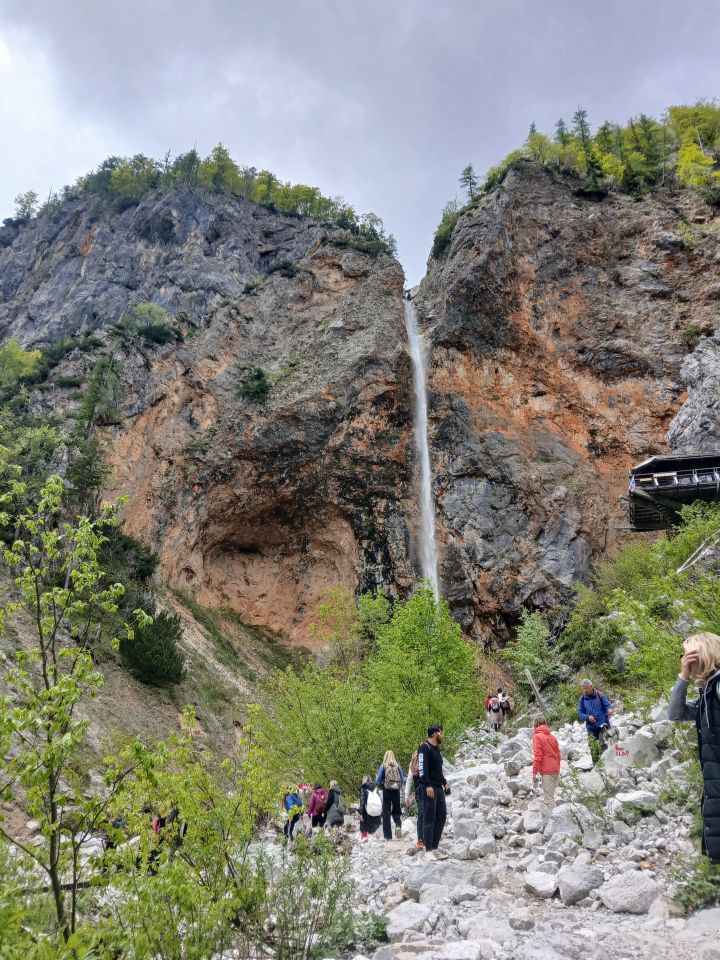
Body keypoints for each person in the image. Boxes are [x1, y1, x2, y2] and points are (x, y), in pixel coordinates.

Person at [668, 632, 720, 864]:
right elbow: (676, 713)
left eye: (688, 655)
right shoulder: (708, 693)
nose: (684, 660)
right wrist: (683, 677)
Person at [418, 724, 450, 861]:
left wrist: (444, 782)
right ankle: (428, 850)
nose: (442, 736)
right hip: (428, 788)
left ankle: (435, 848)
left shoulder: (437, 748)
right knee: (429, 818)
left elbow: (437, 769)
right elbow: (422, 768)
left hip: (438, 787)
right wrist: (427, 785)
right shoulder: (424, 747)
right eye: (441, 733)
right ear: (435, 734)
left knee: (442, 816)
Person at [577, 679, 613, 764]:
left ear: (591, 686)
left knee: (602, 743)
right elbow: (580, 713)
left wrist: (610, 709)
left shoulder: (600, 695)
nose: (585, 690)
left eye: (586, 688)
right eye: (583, 688)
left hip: (603, 724)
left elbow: (608, 705)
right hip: (591, 727)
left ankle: (605, 763)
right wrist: (587, 717)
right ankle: (596, 766)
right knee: (593, 746)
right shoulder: (582, 699)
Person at [531, 716, 561, 809]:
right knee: (551, 796)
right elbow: (558, 755)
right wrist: (557, 769)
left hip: (547, 771)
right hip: (555, 769)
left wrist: (534, 773)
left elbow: (538, 757)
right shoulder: (552, 737)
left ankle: (556, 822)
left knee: (549, 800)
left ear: (535, 725)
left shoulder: (537, 737)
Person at [376, 750, 405, 840]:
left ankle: (388, 836)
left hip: (386, 790)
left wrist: (381, 782)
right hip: (396, 790)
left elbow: (377, 780)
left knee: (386, 812)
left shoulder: (383, 766)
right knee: (396, 810)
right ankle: (398, 826)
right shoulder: (397, 766)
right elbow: (402, 779)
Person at [404, 749, 424, 850]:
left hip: (418, 791)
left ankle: (420, 839)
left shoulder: (412, 763)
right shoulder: (426, 759)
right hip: (428, 789)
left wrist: (406, 796)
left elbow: (409, 780)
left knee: (421, 813)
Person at [358, 774, 382, 843]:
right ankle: (375, 835)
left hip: (368, 812)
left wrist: (360, 813)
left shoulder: (363, 788)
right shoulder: (375, 788)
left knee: (363, 821)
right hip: (377, 811)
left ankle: (364, 837)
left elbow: (362, 802)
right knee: (374, 822)